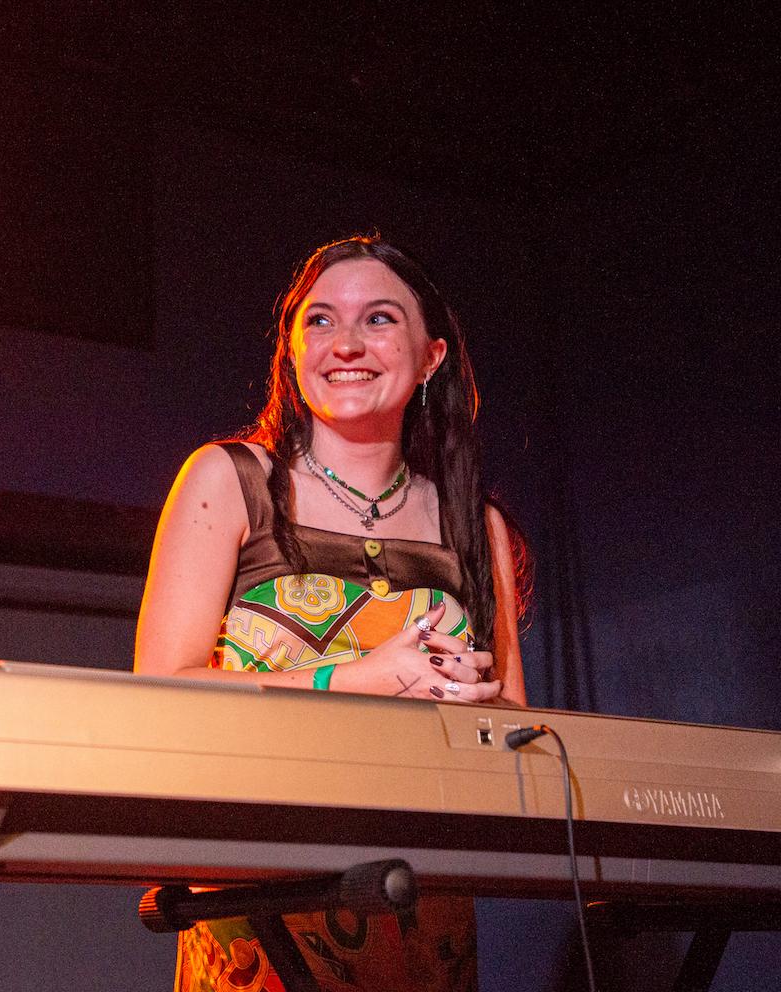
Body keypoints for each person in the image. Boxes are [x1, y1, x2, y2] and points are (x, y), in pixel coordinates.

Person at [134, 234, 530, 991]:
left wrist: (471, 707)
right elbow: (160, 693)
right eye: (319, 321)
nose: (345, 342)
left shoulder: (473, 524)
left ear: (431, 357)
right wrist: (358, 679)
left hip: (422, 896)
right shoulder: (230, 480)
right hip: (265, 896)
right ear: (291, 351)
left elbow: (514, 725)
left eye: (379, 319)